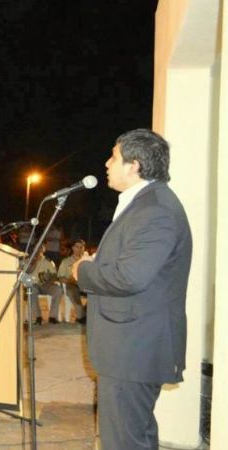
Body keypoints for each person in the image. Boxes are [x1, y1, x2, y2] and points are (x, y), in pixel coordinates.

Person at [72, 129, 192, 450]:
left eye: (114, 157)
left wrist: (83, 270)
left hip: (133, 350)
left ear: (134, 165)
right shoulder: (145, 204)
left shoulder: (155, 209)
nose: (107, 163)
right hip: (130, 347)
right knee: (134, 438)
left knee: (124, 442)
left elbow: (130, 277)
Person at [25, 244, 59, 325]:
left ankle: (52, 316)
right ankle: (38, 317)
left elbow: (54, 275)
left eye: (40, 248)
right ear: (33, 249)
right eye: (36, 248)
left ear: (44, 250)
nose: (38, 250)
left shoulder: (48, 261)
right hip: (34, 285)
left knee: (58, 290)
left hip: (46, 285)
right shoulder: (28, 260)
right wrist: (35, 261)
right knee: (32, 290)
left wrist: (49, 282)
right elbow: (28, 271)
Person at [56, 239, 87, 324]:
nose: (79, 249)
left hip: (86, 285)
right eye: (77, 247)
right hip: (71, 284)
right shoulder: (66, 262)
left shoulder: (86, 261)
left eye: (81, 247)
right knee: (74, 294)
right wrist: (71, 281)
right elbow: (60, 277)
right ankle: (81, 316)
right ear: (73, 248)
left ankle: (86, 314)